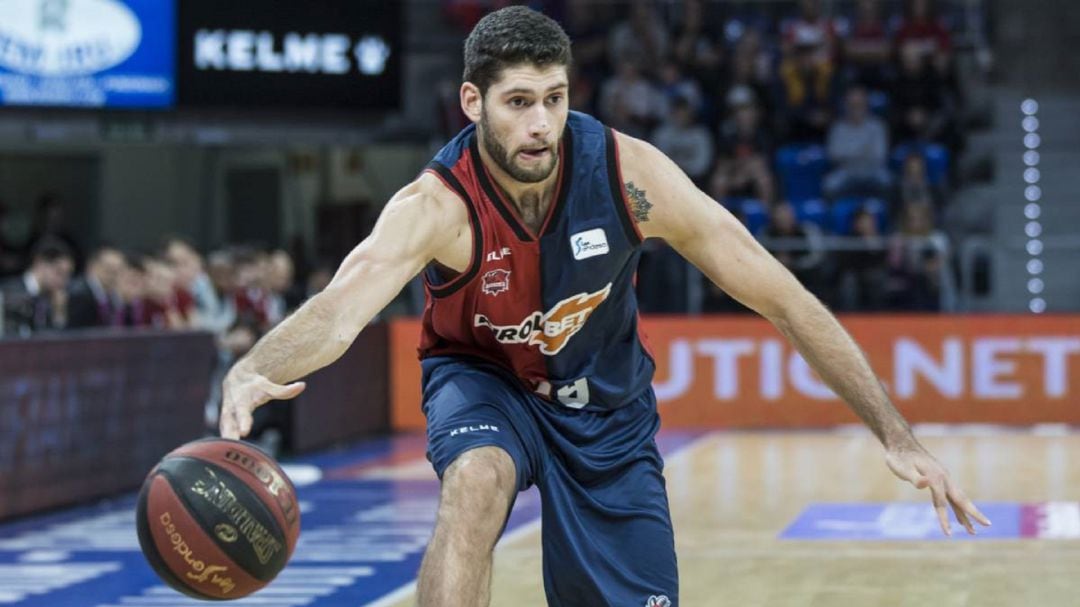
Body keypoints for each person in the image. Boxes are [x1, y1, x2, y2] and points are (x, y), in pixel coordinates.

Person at [219, 7, 989, 607]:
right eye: (518, 102)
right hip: (483, 379)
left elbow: (782, 297)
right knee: (475, 480)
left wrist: (897, 433)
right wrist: (255, 367)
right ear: (471, 102)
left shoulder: (629, 174)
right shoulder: (436, 203)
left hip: (607, 404)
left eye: (554, 99)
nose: (540, 123)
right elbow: (341, 306)